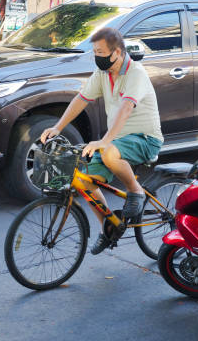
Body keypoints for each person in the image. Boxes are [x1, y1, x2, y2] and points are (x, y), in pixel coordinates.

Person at [40, 27, 163, 255]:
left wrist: (105, 141)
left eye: (100, 51)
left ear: (116, 52)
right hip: (118, 139)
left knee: (108, 152)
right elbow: (81, 99)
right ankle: (109, 228)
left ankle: (135, 191)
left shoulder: (136, 73)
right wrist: (58, 127)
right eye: (94, 52)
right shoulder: (103, 74)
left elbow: (126, 108)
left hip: (145, 139)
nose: (96, 56)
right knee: (86, 181)